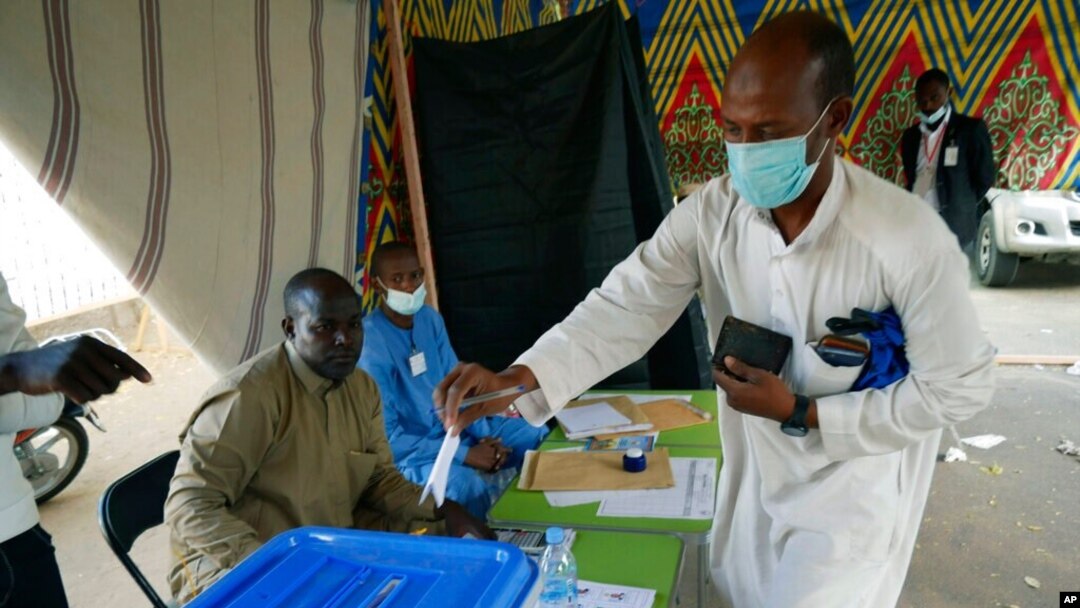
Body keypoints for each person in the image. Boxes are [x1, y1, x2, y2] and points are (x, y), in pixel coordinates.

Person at [433, 12, 995, 608]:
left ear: (834, 118)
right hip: (752, 481)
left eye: (769, 132)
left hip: (849, 501)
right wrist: (523, 377)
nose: (746, 151)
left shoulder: (906, 236)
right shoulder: (713, 214)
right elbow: (628, 303)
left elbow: (959, 387)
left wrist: (806, 413)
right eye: (733, 129)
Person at [164, 268, 492, 604]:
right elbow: (189, 505)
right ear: (291, 329)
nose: (345, 339)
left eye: (353, 324)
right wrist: (277, 565)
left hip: (327, 542)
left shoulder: (362, 388)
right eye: (325, 327)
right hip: (236, 562)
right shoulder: (249, 397)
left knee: (452, 547)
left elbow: (380, 480)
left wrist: (442, 508)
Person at [358, 242, 548, 518]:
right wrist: (466, 455)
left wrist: (486, 438)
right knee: (466, 486)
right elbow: (391, 440)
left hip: (458, 431)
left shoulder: (429, 320)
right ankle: (490, 546)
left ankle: (539, 522)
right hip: (415, 451)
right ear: (377, 286)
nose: (409, 286)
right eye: (397, 279)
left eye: (415, 276)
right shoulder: (371, 342)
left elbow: (461, 392)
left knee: (535, 435)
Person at [0, 271, 152, 608]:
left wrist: (28, 373)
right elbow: (22, 380)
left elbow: (42, 404)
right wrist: (11, 373)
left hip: (14, 536)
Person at [901, 68, 996, 250]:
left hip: (955, 224)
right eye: (922, 101)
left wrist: (962, 202)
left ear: (948, 93)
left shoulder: (970, 130)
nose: (927, 106)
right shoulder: (911, 137)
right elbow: (911, 176)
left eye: (934, 98)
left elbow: (985, 177)